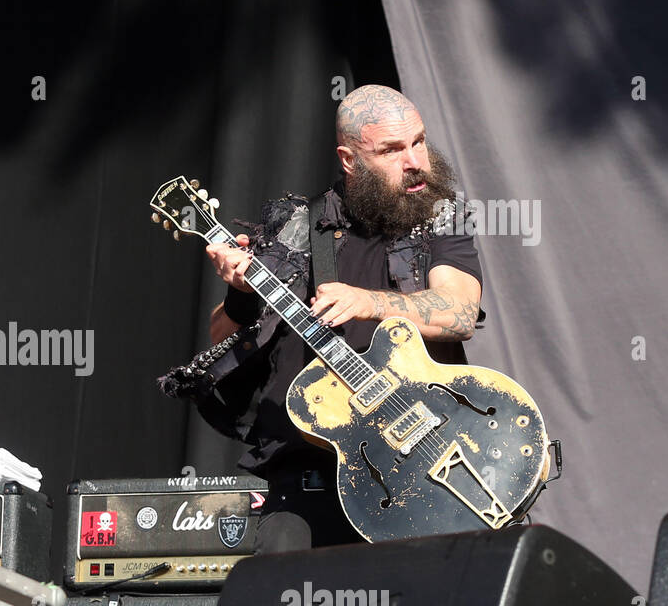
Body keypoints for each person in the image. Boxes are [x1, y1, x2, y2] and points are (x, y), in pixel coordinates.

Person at [161, 84, 482, 549]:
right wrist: (240, 295)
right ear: (350, 160)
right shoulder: (297, 226)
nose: (415, 161)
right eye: (392, 150)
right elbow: (221, 336)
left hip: (417, 465)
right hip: (307, 469)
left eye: (418, 141)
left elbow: (459, 313)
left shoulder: (439, 218)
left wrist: (371, 302)